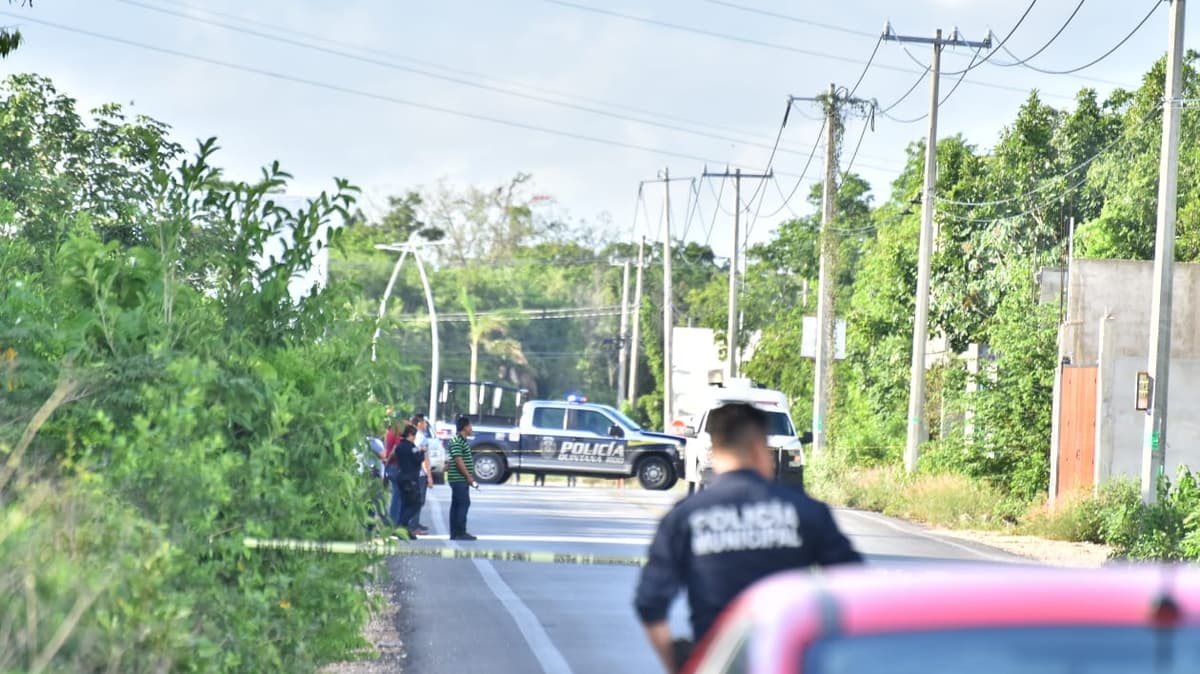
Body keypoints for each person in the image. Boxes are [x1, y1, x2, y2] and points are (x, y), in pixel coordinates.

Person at [633, 403, 862, 673]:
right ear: (757, 448)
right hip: (787, 663)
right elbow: (855, 588)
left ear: (714, 452)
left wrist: (683, 666)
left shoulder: (685, 518)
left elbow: (650, 605)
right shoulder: (806, 511)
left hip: (718, 664)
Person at [447, 415, 478, 541]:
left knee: (457, 504)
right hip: (458, 479)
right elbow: (458, 460)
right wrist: (468, 477)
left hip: (461, 479)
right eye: (470, 426)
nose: (471, 428)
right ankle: (460, 532)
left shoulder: (462, 440)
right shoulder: (457, 441)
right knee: (464, 503)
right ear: (465, 427)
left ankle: (455, 533)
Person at [390, 423, 424, 538]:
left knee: (405, 504)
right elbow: (418, 459)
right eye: (414, 435)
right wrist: (422, 451)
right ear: (410, 435)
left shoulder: (399, 446)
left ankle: (403, 529)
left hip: (401, 476)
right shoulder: (411, 446)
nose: (414, 438)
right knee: (416, 503)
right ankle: (401, 524)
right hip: (411, 479)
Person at [407, 414, 435, 535]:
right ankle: (413, 526)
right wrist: (429, 476)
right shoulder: (422, 438)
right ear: (419, 423)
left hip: (411, 471)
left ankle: (414, 523)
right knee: (419, 500)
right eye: (424, 422)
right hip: (420, 474)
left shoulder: (411, 436)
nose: (426, 425)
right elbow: (424, 459)